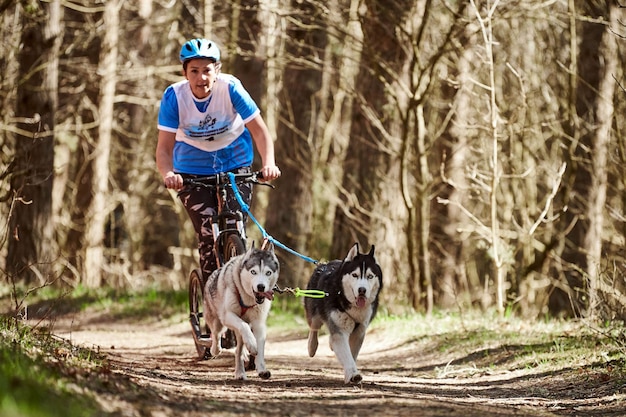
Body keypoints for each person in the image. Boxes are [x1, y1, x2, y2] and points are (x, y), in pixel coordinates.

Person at [156, 38, 281, 283]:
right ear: (185, 73)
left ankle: (241, 290)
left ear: (217, 71)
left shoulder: (231, 88)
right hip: (191, 170)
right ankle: (212, 305)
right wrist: (168, 174)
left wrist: (269, 163)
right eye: (194, 71)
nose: (201, 78)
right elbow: (164, 148)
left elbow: (259, 131)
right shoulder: (174, 97)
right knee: (207, 235)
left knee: (235, 223)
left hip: (235, 163)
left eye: (207, 70)